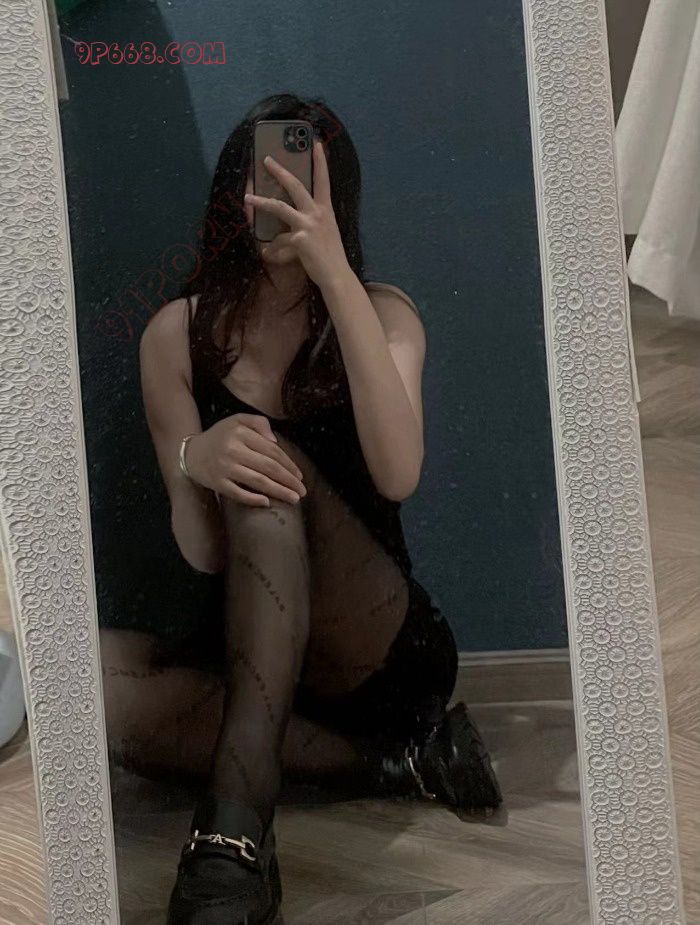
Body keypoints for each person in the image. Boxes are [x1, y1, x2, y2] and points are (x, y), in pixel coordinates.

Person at [122, 93, 503, 925]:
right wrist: (195, 458)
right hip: (252, 650)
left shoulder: (385, 313)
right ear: (231, 194)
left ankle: (233, 832)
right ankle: (400, 763)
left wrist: (332, 271)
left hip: (373, 651)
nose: (277, 198)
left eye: (299, 178)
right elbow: (202, 555)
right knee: (96, 698)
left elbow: (398, 472)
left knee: (271, 462)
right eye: (259, 180)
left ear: (339, 199)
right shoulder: (174, 337)